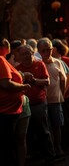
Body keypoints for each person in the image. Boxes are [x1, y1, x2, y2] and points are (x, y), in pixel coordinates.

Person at [0, 36, 31, 165]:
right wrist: (23, 86)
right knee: (8, 146)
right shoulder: (1, 59)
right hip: (7, 111)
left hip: (12, 109)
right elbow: (6, 84)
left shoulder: (4, 60)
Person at [37, 37, 67, 160]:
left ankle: (58, 147)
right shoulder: (37, 63)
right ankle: (50, 150)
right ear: (39, 50)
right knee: (46, 128)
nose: (47, 52)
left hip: (56, 99)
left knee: (57, 126)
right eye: (43, 50)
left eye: (49, 49)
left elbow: (63, 80)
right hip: (42, 102)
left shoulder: (58, 62)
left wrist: (62, 94)